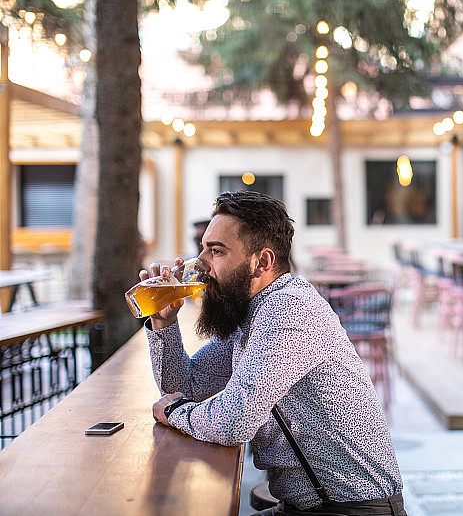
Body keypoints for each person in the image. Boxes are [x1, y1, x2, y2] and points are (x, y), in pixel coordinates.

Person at [143, 191, 406, 516]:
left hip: (352, 509)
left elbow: (232, 422)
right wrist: (163, 323)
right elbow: (187, 386)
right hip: (309, 506)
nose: (201, 264)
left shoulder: (288, 311)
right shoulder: (251, 313)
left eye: (216, 251)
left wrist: (175, 412)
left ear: (262, 262)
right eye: (203, 249)